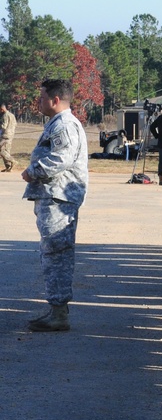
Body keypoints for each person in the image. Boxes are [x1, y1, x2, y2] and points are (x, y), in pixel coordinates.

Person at [20, 79, 88, 332]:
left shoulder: (64, 124)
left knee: (56, 254)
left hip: (58, 198)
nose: (38, 102)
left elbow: (62, 157)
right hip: (54, 196)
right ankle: (57, 310)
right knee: (54, 253)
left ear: (55, 100)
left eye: (41, 97)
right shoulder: (58, 123)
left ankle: (59, 313)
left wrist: (33, 171)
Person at [0, 102, 17, 172]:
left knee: (1, 151)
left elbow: (4, 126)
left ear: (2, 109)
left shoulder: (5, 115)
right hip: (11, 135)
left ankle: (13, 161)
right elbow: (15, 124)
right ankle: (9, 167)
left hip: (5, 135)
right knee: (6, 151)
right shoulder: (12, 115)